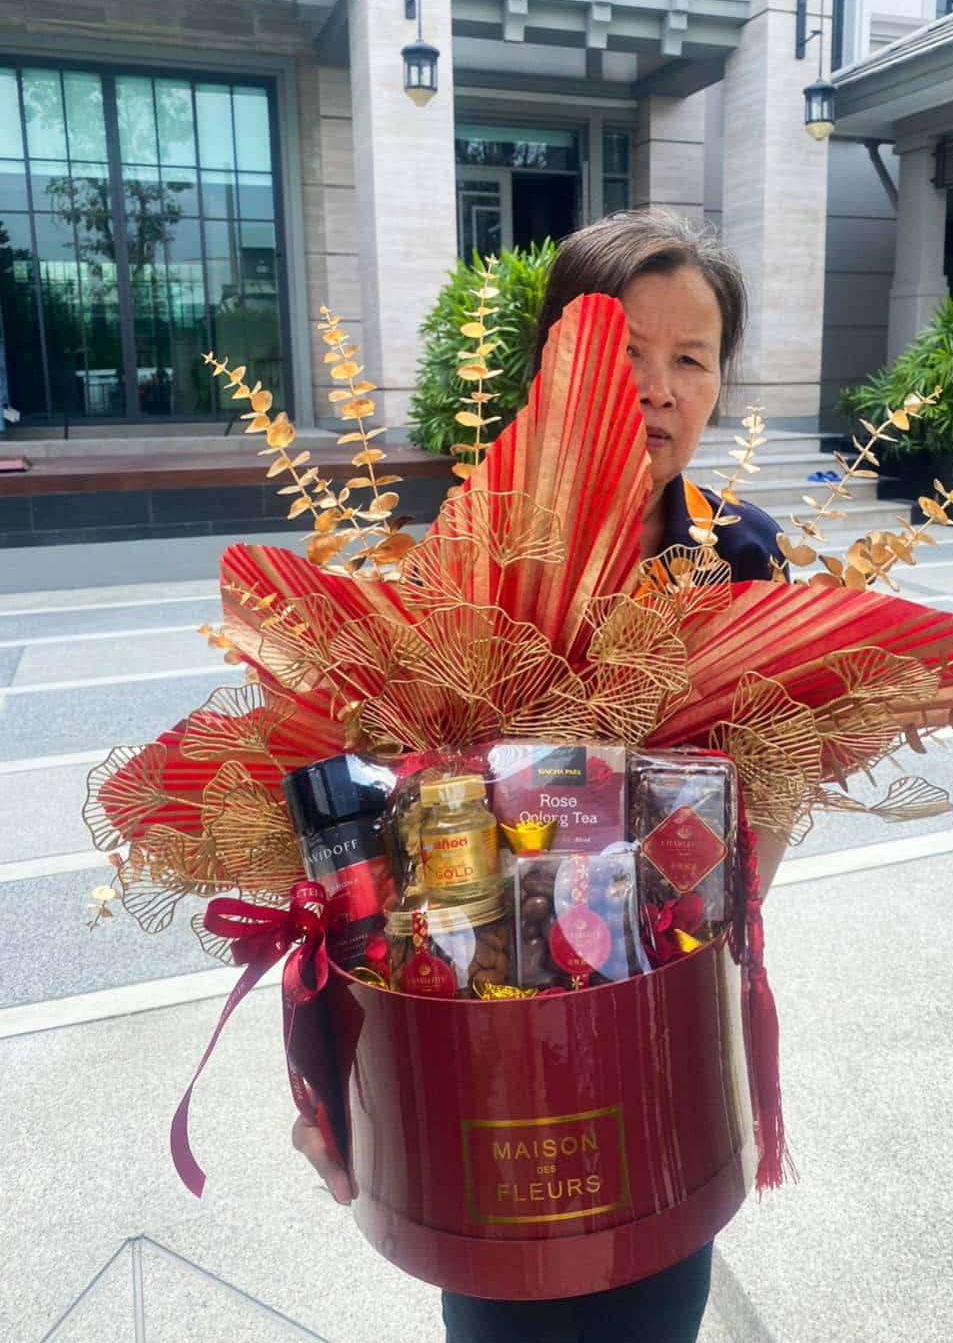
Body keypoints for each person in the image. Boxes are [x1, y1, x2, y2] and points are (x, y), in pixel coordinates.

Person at [292, 209, 789, 1342]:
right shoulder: (461, 562)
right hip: (479, 1073)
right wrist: (329, 1065)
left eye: (692, 358)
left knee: (660, 1286)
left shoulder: (743, 556)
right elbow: (345, 837)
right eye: (624, 355)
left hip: (656, 1023)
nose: (659, 389)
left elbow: (773, 794)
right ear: (552, 372)